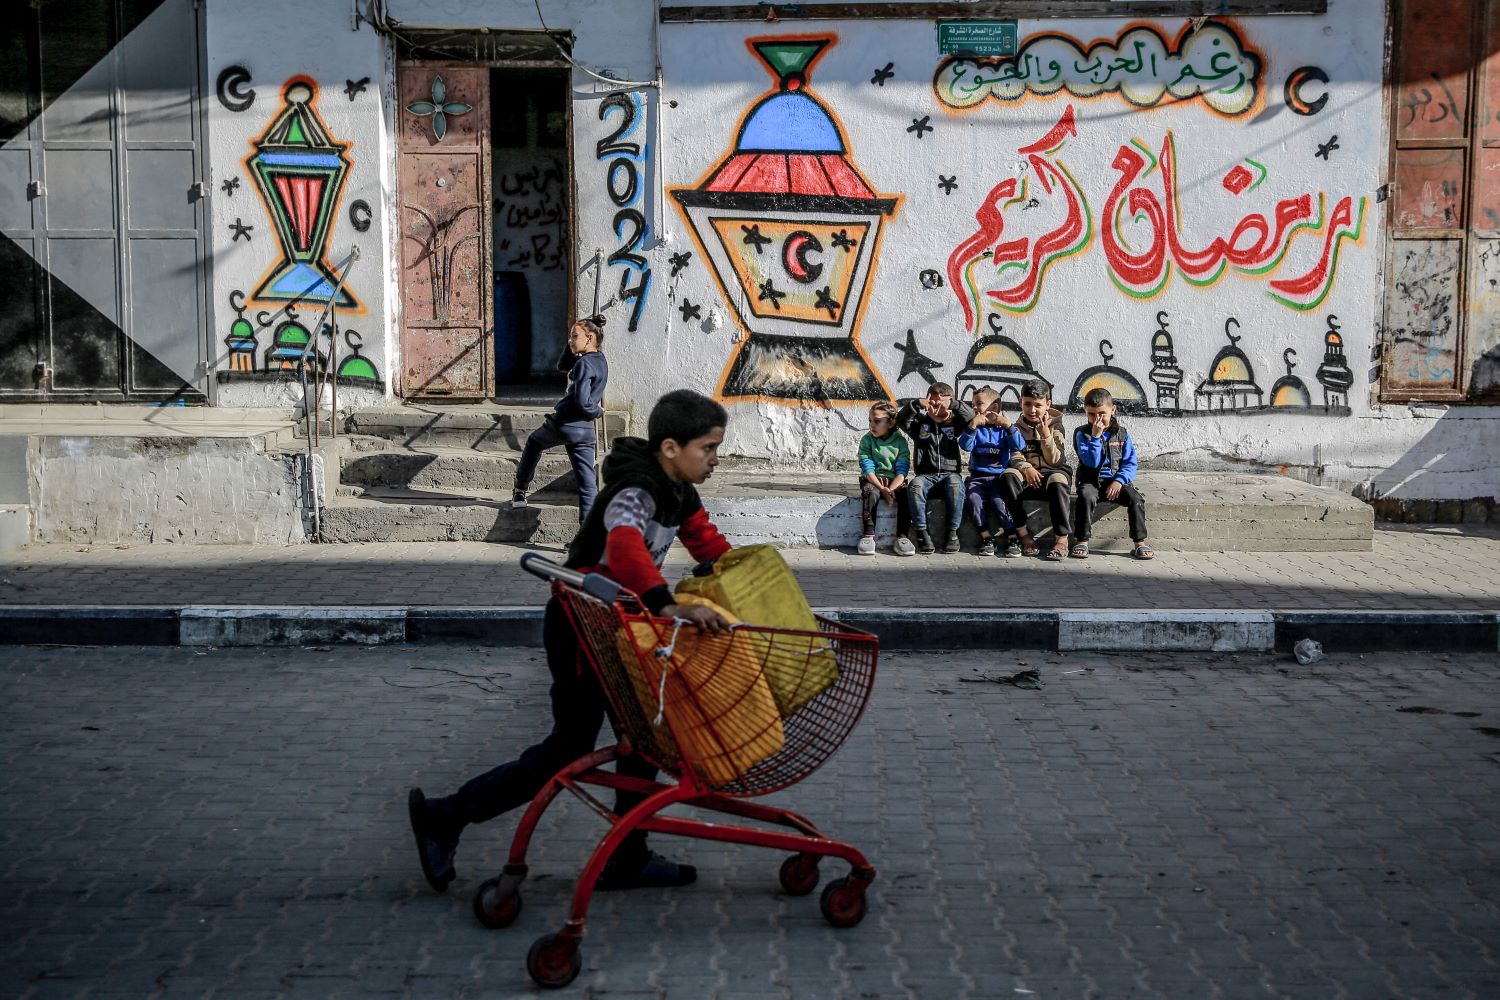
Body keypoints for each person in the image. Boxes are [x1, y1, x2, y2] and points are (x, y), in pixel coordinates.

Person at [410, 389, 734, 894]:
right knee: (569, 748)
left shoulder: (679, 492)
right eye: (708, 448)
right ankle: (445, 817)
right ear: (671, 448)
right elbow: (624, 547)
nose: (715, 459)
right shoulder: (636, 490)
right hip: (581, 627)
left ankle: (628, 856)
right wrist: (666, 605)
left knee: (644, 741)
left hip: (618, 627)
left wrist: (750, 586)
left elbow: (709, 545)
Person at [511, 315, 609, 522]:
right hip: (585, 431)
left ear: (589, 338)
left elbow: (582, 401)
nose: (570, 340)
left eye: (574, 336)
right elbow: (563, 366)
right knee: (587, 483)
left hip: (565, 424)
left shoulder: (584, 364)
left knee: (534, 443)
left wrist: (597, 411)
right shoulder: (600, 361)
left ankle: (520, 491)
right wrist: (572, 346)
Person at [1071, 387, 1154, 560]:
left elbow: (1130, 463)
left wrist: (1119, 480)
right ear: (1085, 412)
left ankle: (1139, 542)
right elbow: (1091, 463)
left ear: (1113, 410)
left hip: (1116, 481)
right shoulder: (1081, 434)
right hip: (1091, 481)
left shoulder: (1121, 434)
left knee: (1136, 499)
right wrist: (1095, 437)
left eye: (1102, 413)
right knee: (1085, 497)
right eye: (1091, 414)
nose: (1097, 419)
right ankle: (1082, 540)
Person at [896, 382, 974, 554]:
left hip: (950, 474)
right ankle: (922, 533)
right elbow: (901, 420)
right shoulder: (920, 423)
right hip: (925, 475)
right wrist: (917, 404)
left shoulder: (955, 423)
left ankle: (952, 533)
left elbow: (971, 417)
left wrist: (953, 405)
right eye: (933, 403)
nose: (937, 407)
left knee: (956, 487)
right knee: (915, 487)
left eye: (942, 403)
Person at [999, 379, 1072, 561]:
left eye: (1038, 405)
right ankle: (1023, 534)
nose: (1032, 410)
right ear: (1020, 403)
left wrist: (1046, 435)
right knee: (1008, 477)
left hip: (1051, 473)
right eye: (1027, 404)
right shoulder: (1015, 428)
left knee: (1058, 480)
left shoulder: (1056, 426)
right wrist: (1027, 468)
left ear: (1048, 404)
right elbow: (1015, 456)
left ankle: (1061, 539)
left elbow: (1055, 461)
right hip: (1027, 477)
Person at [958, 387, 1024, 557]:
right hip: (977, 478)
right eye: (973, 404)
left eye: (979, 404)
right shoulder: (975, 427)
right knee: (974, 500)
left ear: (994, 407)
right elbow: (965, 446)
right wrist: (972, 426)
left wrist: (1009, 426)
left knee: (999, 503)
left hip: (998, 478)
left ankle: (1012, 538)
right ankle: (987, 538)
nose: (974, 408)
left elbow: (1019, 445)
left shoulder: (1004, 428)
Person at [856, 401, 913, 556]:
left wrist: (891, 489)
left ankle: (902, 536)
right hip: (873, 480)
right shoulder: (867, 440)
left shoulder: (900, 442)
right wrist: (882, 489)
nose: (872, 425)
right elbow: (867, 468)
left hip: (894, 481)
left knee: (907, 494)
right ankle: (868, 535)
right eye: (870, 421)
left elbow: (902, 470)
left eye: (877, 421)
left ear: (891, 422)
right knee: (869, 492)